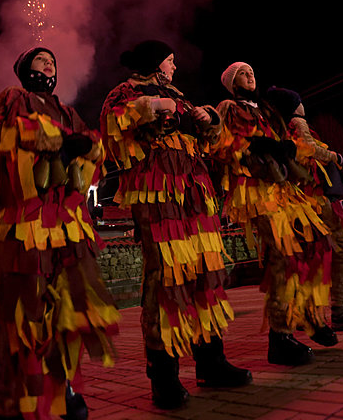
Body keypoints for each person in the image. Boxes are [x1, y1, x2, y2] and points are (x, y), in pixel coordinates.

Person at [100, 41, 251, 411]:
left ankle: (210, 361)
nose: (174, 68)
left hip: (196, 195)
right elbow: (112, 127)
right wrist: (153, 107)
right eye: (170, 61)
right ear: (155, 63)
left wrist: (210, 122)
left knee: (206, 273)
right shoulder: (126, 92)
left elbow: (215, 144)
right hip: (157, 196)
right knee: (167, 278)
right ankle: (164, 376)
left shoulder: (180, 97)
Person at [0, 46, 119, 420]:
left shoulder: (67, 109)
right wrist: (56, 142)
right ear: (24, 70)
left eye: (52, 59)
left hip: (68, 225)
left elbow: (92, 146)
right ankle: (21, 396)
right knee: (26, 308)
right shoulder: (13, 97)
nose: (49, 63)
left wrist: (86, 148)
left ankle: (62, 385)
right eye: (40, 59)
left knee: (66, 308)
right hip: (27, 224)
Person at [216, 63, 334, 366]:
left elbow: (285, 139)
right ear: (231, 83)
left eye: (251, 71)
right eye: (242, 73)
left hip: (282, 186)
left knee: (313, 243)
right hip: (255, 188)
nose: (250, 75)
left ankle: (308, 316)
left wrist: (286, 148)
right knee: (282, 255)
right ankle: (279, 337)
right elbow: (222, 144)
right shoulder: (228, 107)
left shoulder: (266, 109)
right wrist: (254, 146)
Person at [266, 87, 343, 332]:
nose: (303, 105)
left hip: (319, 196)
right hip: (320, 198)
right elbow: (310, 149)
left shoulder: (289, 127)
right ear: (293, 106)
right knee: (339, 248)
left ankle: (340, 305)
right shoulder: (297, 123)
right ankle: (341, 308)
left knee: (336, 250)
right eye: (299, 101)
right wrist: (342, 160)